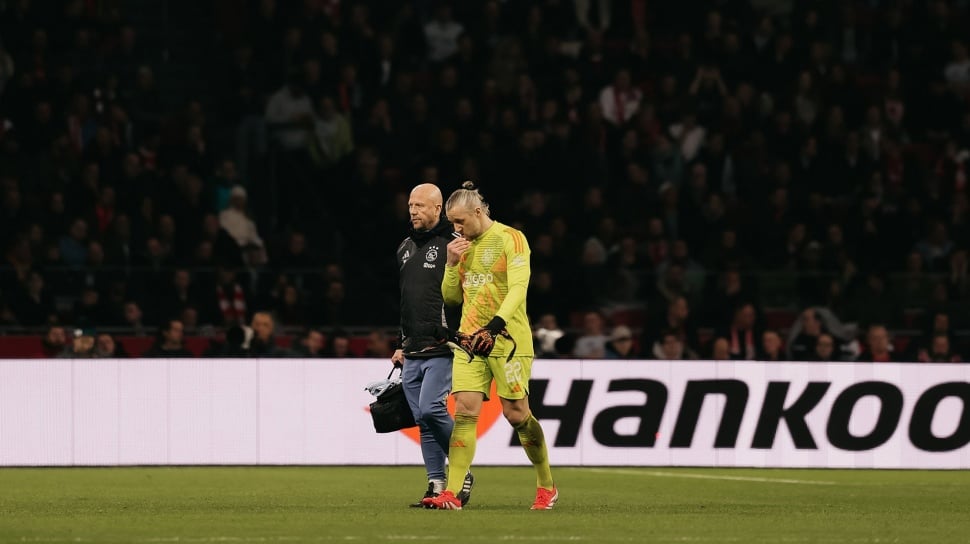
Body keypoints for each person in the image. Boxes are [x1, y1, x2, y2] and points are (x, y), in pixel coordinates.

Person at [428, 181, 557, 511]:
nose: (457, 229)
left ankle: (546, 485)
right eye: (452, 224)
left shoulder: (511, 238)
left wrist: (495, 326)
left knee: (517, 414)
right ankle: (452, 492)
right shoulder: (462, 247)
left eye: (460, 222)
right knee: (465, 412)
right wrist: (451, 265)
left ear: (477, 211)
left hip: (508, 341)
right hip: (470, 343)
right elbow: (451, 298)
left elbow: (519, 288)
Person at [393, 183, 473, 508]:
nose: (413, 211)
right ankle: (436, 483)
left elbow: (468, 294)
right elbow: (406, 301)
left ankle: (462, 471)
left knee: (431, 409)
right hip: (412, 348)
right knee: (423, 421)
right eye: (411, 205)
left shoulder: (455, 244)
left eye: (420, 206)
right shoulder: (404, 247)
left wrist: (460, 335)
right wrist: (400, 343)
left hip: (442, 346)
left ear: (438, 209)